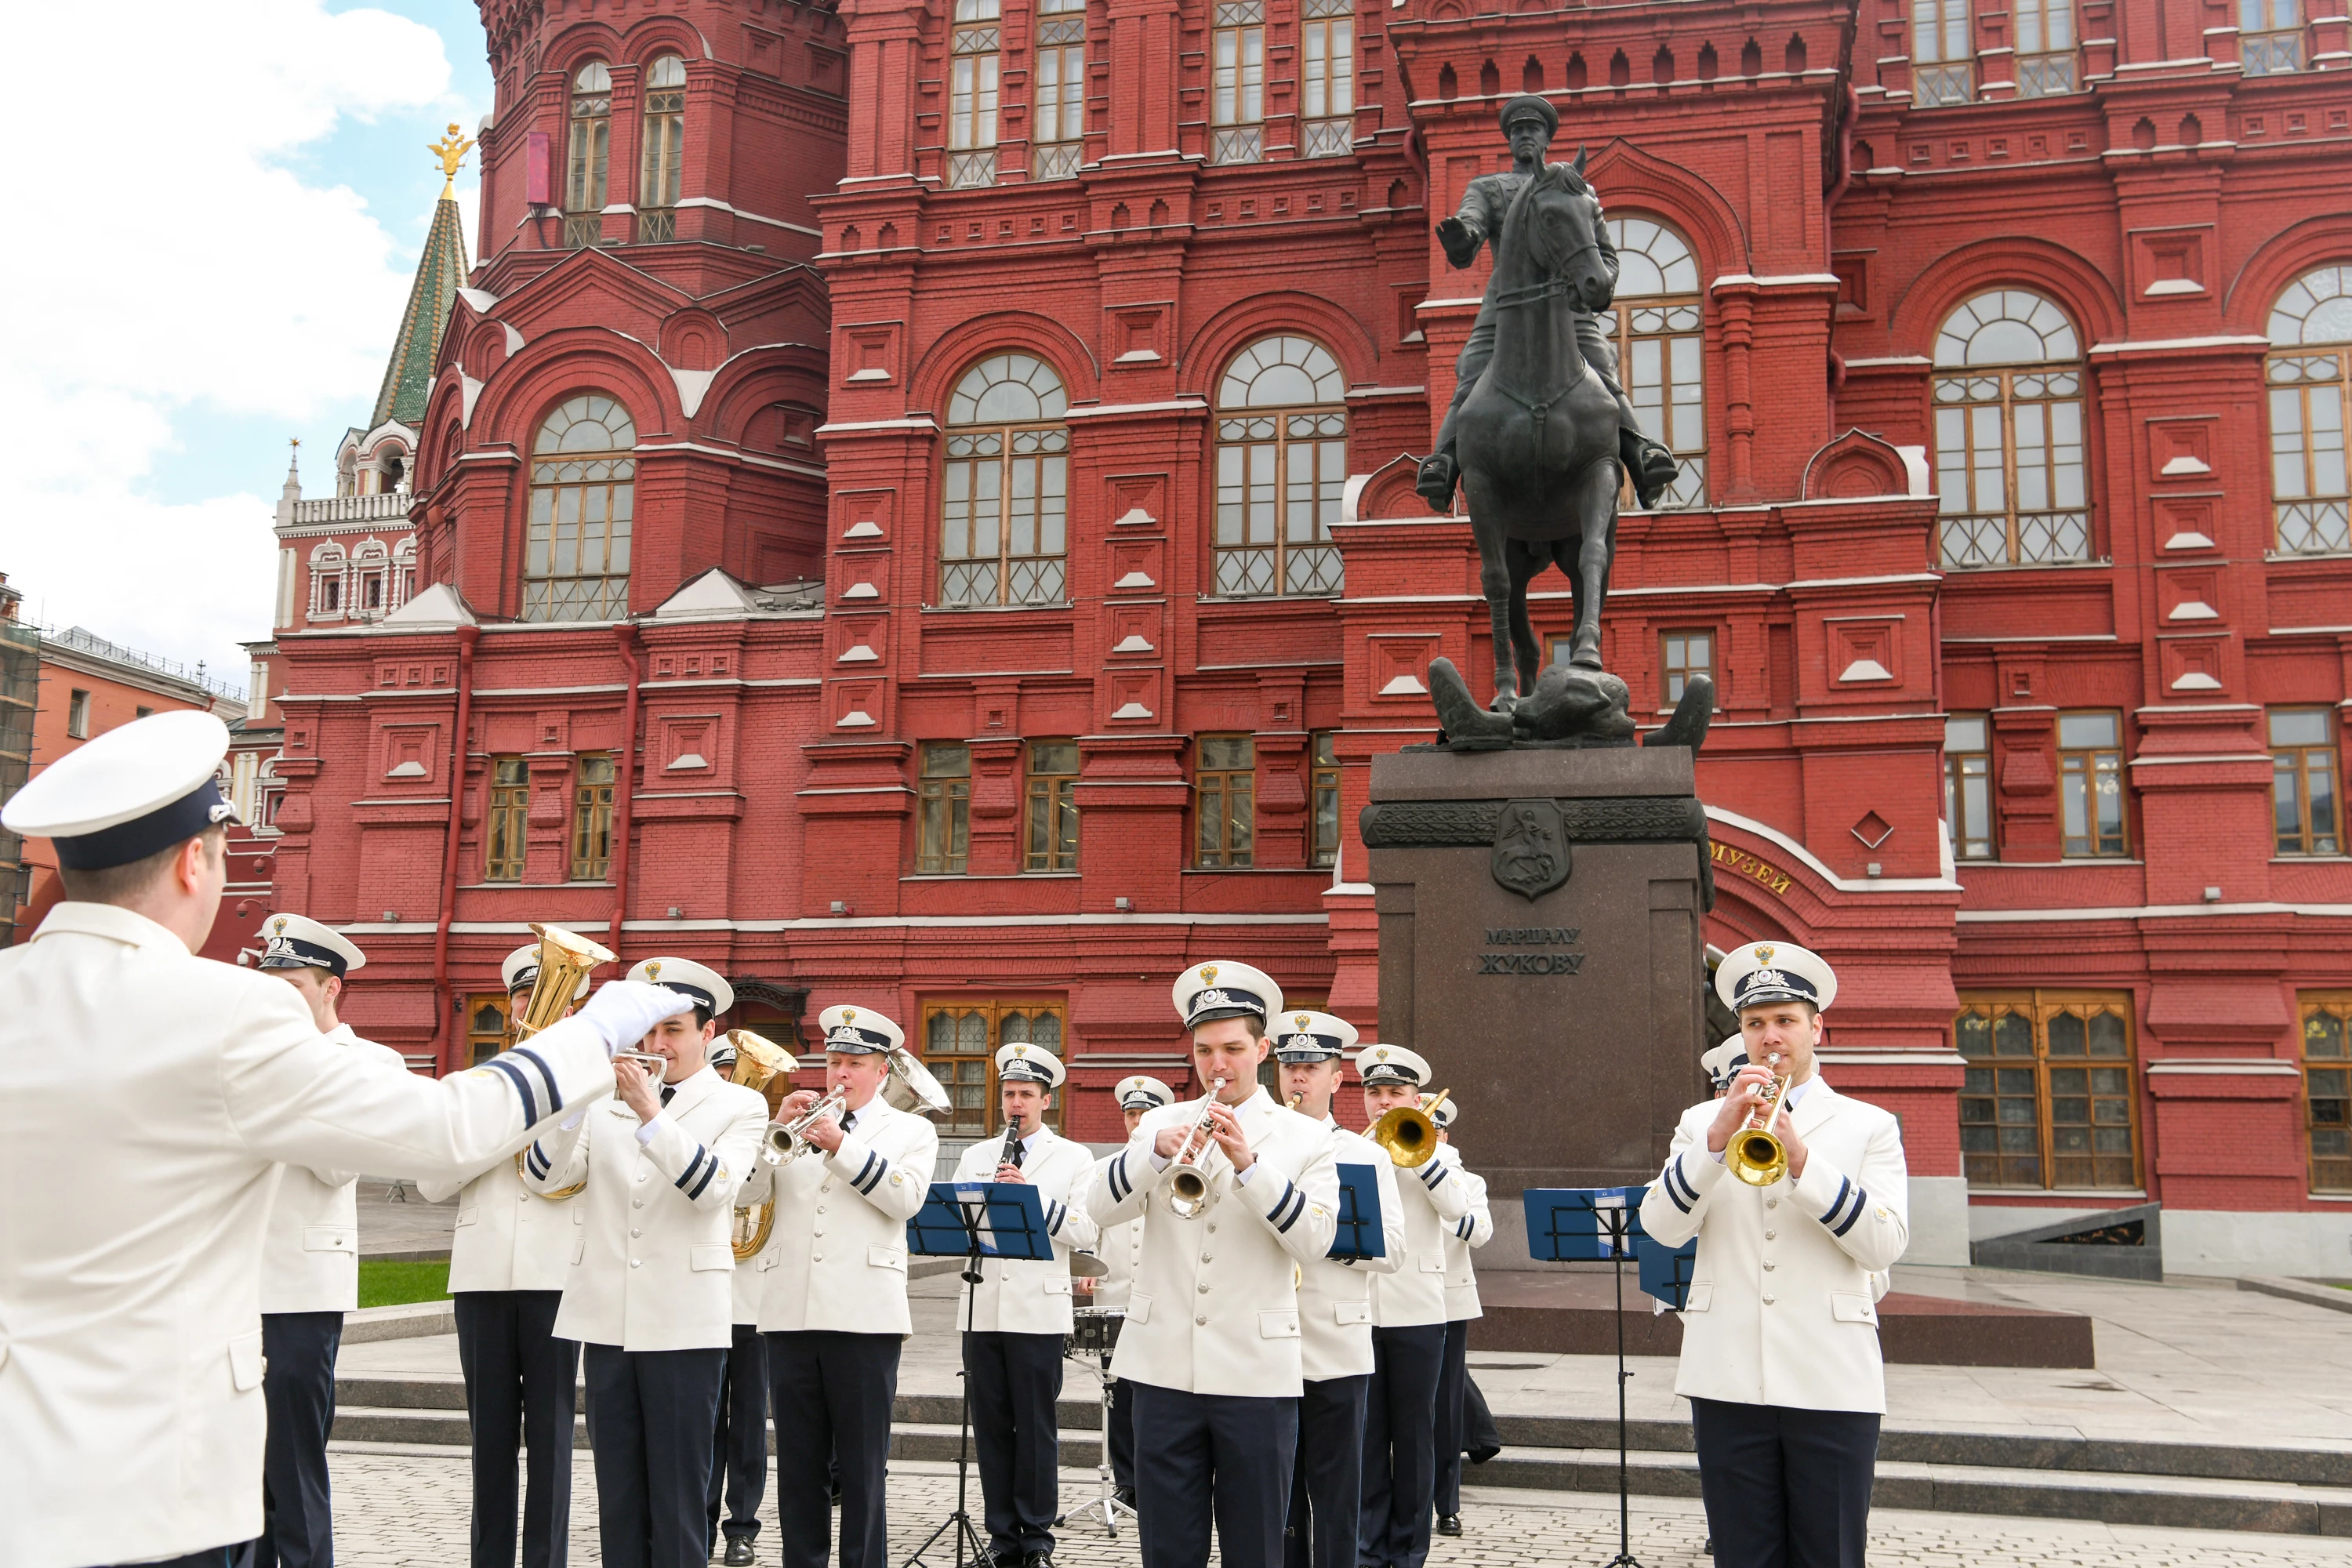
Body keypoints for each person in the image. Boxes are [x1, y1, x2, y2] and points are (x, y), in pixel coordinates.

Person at [0, 710, 688, 1568]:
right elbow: (446, 1129)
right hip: (152, 1485)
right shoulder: (228, 1012)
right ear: (193, 861)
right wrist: (592, 1030)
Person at [1640, 942, 1910, 1568]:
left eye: (1785, 1020)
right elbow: (1660, 1227)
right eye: (1755, 1023)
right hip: (1726, 1371)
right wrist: (1712, 1145)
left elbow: (1884, 1242)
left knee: (1829, 1554)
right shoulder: (1701, 1120)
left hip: (1831, 1375)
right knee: (1743, 1554)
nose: (1770, 1037)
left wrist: (1803, 1164)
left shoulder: (1865, 1125)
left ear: (1817, 1027)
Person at [1085, 962, 1341, 1568]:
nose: (1217, 1065)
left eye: (1232, 1049)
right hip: (1162, 1367)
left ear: (1263, 1049)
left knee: (1255, 1547)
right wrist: (1151, 1155)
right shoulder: (1158, 1122)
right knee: (1168, 1548)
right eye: (1204, 1050)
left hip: (1256, 1373)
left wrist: (1251, 1168)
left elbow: (1318, 1241)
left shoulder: (1305, 1138)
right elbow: (1097, 1206)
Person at [521, 957, 767, 1568]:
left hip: (684, 1322)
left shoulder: (739, 1105)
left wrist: (651, 1113)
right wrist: (574, 1102)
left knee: (681, 1497)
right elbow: (544, 1176)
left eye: (675, 1031)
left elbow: (713, 1190)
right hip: (606, 1317)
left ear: (709, 1034)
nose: (658, 1046)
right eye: (649, 1033)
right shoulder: (605, 1100)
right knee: (620, 1497)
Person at [416, 940, 599, 1568]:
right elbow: (432, 1184)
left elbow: (557, 1177)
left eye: (544, 996)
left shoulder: (595, 1091)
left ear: (573, 1008)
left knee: (550, 1438)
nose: (531, 1008)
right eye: (523, 997)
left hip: (554, 1276)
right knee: (489, 1438)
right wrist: (493, 1126)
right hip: (482, 1275)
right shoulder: (471, 1086)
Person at [1414, 93, 1679, 513]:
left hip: (1567, 306)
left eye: (1532, 130)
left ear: (1546, 139)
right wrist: (1460, 238)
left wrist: (1599, 284)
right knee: (1471, 368)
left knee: (1602, 365)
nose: (1524, 137)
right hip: (1507, 305)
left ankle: (1642, 452)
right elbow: (1471, 227)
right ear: (1509, 140)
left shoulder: (1577, 189)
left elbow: (1603, 253)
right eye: (1517, 131)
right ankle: (1444, 460)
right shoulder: (1490, 188)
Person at [743, 1005, 940, 1568]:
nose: (840, 1075)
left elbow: (905, 1200)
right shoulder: (795, 1126)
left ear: (883, 1071)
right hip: (789, 1314)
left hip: (864, 1317)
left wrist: (839, 1145)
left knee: (860, 1465)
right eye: (833, 1062)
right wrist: (772, 1132)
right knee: (799, 1465)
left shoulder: (911, 1130)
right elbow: (747, 1196)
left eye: (854, 1063)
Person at [248, 913, 411, 1568]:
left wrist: (294, 1072)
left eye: (294, 985)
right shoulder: (246, 1055)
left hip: (300, 1285)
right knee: (238, 1459)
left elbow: (338, 1164)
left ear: (330, 989)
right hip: (231, 1278)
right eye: (272, 983)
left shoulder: (370, 1062)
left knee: (294, 1452)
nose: (278, 998)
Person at [949, 1042, 1101, 1568]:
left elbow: (1086, 1230)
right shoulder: (976, 1156)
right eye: (1009, 1093)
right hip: (983, 1306)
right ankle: (1000, 1537)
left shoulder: (1075, 1158)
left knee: (1035, 1427)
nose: (1016, 1103)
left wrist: (1032, 1199)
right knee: (990, 1424)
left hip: (1038, 1311)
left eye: (1026, 1094)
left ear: (1046, 1100)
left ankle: (1036, 1538)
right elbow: (958, 1228)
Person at [1272, 1012, 1403, 1568]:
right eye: (1290, 1067)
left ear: (1337, 1078)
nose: (1298, 1079)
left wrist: (1322, 1238)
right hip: (1265, 1343)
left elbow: (1394, 1250)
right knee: (1276, 1501)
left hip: (1336, 1344)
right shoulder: (1253, 1147)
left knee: (1336, 1495)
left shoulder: (1365, 1155)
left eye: (1311, 1067)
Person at [1354, 1045, 1476, 1568]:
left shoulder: (1442, 1157)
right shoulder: (1347, 1149)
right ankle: (1366, 1547)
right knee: (1365, 1437)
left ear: (1416, 1098)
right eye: (1375, 1093)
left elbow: (1475, 1226)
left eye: (1395, 1093)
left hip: (1419, 1315)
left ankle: (1409, 1549)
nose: (1384, 1103)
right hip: (1358, 1311)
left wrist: (1424, 1161)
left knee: (1413, 1437)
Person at [706, 1033, 776, 1567]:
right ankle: (697, 1518)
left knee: (748, 1421)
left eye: (740, 1076)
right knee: (699, 1420)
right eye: (724, 1076)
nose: (731, 1083)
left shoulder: (768, 1140)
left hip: (752, 1302)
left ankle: (742, 1527)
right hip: (700, 1300)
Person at [1089, 1073, 1174, 1507]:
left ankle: (1157, 1475)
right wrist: (1085, 1267)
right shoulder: (1109, 1168)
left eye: (1145, 1114)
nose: (1136, 1120)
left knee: (1155, 1394)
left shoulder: (1177, 1163)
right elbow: (1093, 1223)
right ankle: (1128, 1479)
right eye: (1131, 1113)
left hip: (1160, 1301)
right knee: (1118, 1396)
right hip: (1115, 1296)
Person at [1425, 1097, 1493, 1540]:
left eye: (1435, 1129)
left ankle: (1446, 1503)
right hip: (1394, 1302)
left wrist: (1442, 1203)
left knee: (1446, 1409)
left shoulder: (1467, 1181)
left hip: (1447, 1305)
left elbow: (1479, 1232)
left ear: (1445, 1136)